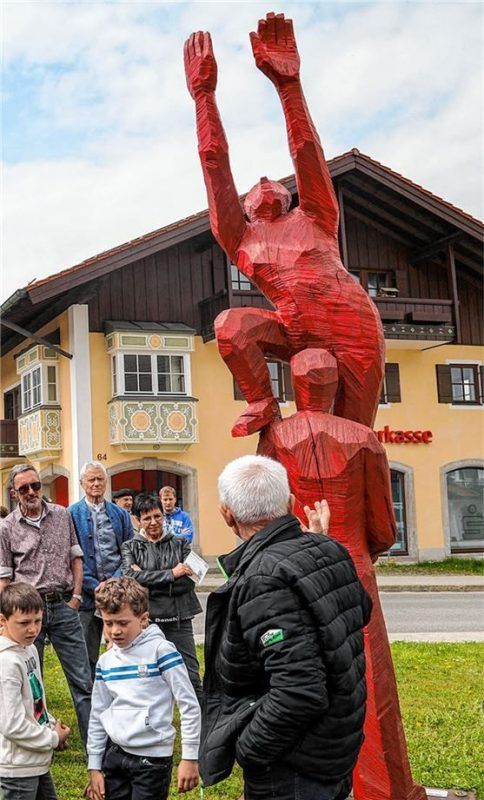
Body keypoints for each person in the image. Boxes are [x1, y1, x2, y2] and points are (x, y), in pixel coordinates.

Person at [185, 14, 384, 438]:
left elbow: (307, 152)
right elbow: (213, 162)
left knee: (355, 438)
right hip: (296, 331)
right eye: (252, 187)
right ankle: (261, 400)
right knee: (229, 326)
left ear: (288, 197)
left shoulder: (315, 218)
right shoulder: (240, 237)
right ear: (246, 206)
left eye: (273, 182)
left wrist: (288, 86)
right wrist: (204, 96)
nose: (261, 181)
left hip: (354, 331)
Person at [200, 455, 372, 800]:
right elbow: (357, 613)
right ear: (291, 504)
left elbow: (298, 691)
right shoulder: (328, 548)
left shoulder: (263, 579)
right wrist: (318, 544)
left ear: (227, 514)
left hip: (297, 762)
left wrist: (250, 748)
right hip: (334, 743)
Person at [0, 464, 92, 746]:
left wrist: (76, 596)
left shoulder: (62, 515)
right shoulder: (6, 527)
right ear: (15, 493)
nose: (31, 492)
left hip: (64, 606)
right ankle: (39, 741)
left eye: (35, 486)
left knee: (83, 681)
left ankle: (95, 748)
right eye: (24, 488)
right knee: (30, 683)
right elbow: (4, 576)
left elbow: (76, 557)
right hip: (27, 611)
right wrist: (5, 617)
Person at [86, 577, 200, 800]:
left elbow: (189, 705)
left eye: (123, 623)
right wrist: (94, 765)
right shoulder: (106, 662)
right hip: (115, 756)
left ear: (144, 619)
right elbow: (98, 713)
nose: (115, 631)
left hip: (152, 760)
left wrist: (190, 757)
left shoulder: (162, 651)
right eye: (109, 623)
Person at [121, 493, 203, 701]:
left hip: (179, 618)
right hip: (147, 621)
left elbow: (188, 582)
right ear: (138, 520)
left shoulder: (181, 544)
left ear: (163, 516)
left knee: (190, 672)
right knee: (146, 674)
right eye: (147, 518)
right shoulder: (130, 547)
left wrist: (146, 580)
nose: (153, 522)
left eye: (157, 516)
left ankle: (202, 720)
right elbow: (131, 578)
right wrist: (172, 574)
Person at [0, 582, 71, 800]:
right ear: (3, 621)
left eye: (38, 621)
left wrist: (50, 726)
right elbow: (11, 725)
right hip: (16, 769)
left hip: (36, 761)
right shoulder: (7, 663)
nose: (33, 629)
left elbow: (35, 702)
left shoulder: (28, 649)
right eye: (24, 623)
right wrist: (51, 738)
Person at [69, 461, 134, 679]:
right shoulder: (71, 514)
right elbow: (71, 554)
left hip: (117, 592)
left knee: (121, 646)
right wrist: (94, 585)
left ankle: (118, 684)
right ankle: (90, 692)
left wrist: (114, 583)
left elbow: (128, 550)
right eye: (91, 479)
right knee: (87, 650)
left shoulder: (120, 514)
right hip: (87, 595)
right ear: (82, 483)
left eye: (100, 479)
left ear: (106, 482)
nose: (96, 483)